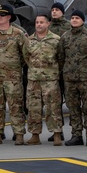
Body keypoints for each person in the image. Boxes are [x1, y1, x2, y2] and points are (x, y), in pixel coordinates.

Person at [0, 4, 27, 145]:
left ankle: (19, 134)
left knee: (16, 106)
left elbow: (25, 55)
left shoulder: (18, 33)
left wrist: (15, 67)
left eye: (2, 15)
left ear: (9, 17)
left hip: (12, 78)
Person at [59, 8, 87, 146]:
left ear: (83, 21)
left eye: (77, 18)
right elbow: (61, 57)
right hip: (70, 79)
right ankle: (76, 135)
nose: (74, 20)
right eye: (72, 18)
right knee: (73, 107)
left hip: (86, 78)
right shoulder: (65, 37)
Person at [23, 13, 64, 146]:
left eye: (42, 22)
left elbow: (61, 58)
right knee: (33, 108)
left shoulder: (56, 40)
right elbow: (26, 57)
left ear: (48, 24)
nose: (39, 25)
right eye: (37, 22)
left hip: (50, 79)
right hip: (34, 79)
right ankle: (35, 135)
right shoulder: (29, 40)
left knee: (53, 108)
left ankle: (57, 133)